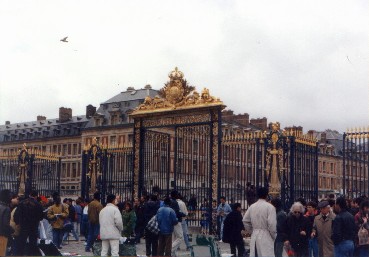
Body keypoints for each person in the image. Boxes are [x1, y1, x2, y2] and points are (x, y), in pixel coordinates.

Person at [243, 187, 276, 257]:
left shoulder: (252, 206)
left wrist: (252, 230)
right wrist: (273, 236)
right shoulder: (270, 207)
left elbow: (245, 220)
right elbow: (272, 224)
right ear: (267, 195)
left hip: (255, 235)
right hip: (266, 235)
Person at [14, 190, 44, 255]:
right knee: (33, 243)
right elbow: (41, 216)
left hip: (23, 226)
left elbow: (16, 215)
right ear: (36, 196)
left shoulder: (22, 203)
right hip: (33, 226)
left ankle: (20, 254)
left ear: (30, 194)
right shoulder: (38, 204)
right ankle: (31, 255)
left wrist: (18, 223)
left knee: (21, 242)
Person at [169, 190, 185, 256]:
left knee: (174, 238)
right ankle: (170, 249)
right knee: (180, 237)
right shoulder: (175, 202)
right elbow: (176, 213)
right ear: (175, 195)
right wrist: (183, 214)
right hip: (176, 221)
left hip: (170, 221)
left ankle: (172, 254)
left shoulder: (170, 201)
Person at [0, 189, 14, 256]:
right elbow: (5, 224)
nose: (11, 198)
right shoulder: (6, 208)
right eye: (10, 196)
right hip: (2, 235)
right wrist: (12, 230)